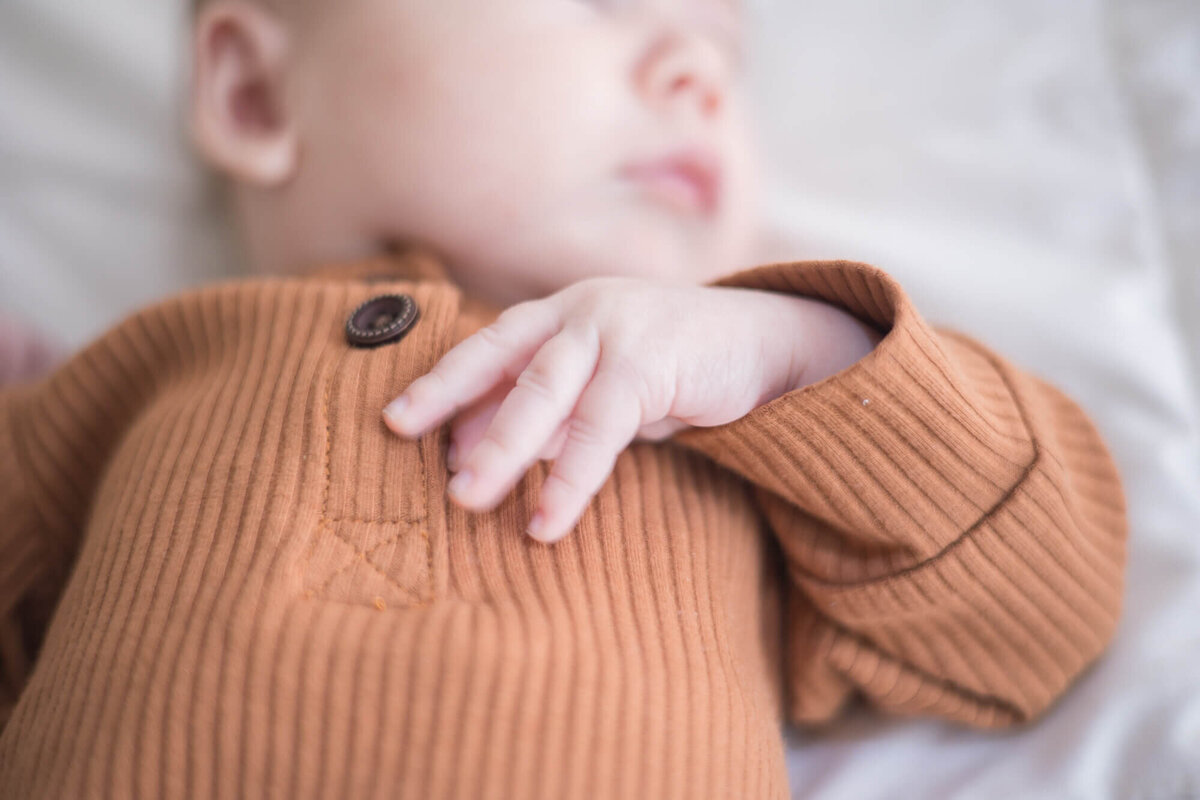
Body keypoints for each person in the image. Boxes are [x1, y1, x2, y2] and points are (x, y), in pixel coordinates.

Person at [0, 0, 1128, 797]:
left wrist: (794, 355)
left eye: (721, 50)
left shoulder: (736, 429)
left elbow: (1042, 616)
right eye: (597, 3)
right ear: (253, 92)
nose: (693, 66)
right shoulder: (141, 374)